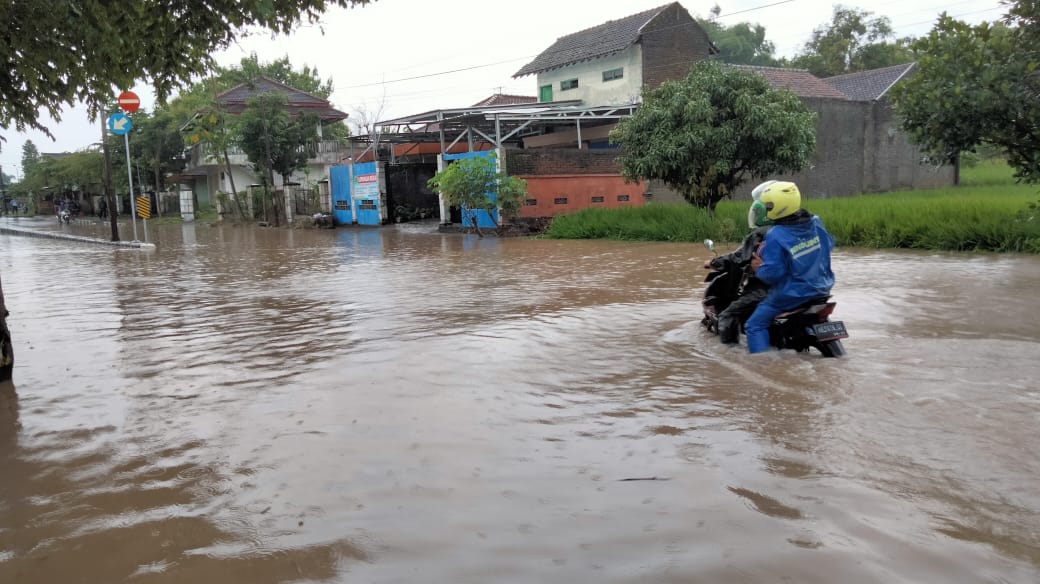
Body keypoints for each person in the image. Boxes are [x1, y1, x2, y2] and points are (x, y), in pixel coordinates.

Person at [745, 181, 835, 354]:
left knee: (754, 325)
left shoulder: (776, 234)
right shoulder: (815, 221)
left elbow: (773, 274)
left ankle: (762, 368)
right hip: (823, 288)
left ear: (778, 207)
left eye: (769, 205)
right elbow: (828, 245)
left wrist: (758, 268)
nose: (766, 207)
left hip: (793, 295)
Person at [703, 180, 777, 345]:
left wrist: (714, 262)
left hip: (765, 288)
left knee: (727, 315)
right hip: (801, 286)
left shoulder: (760, 233)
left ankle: (730, 355)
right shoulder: (792, 229)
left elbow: (738, 258)